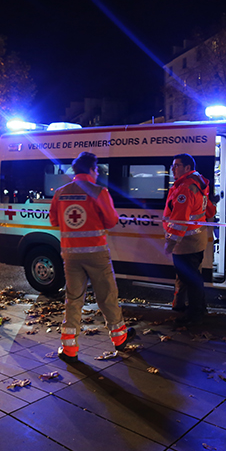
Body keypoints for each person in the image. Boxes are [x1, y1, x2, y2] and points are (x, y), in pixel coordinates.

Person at [49, 152, 135, 363]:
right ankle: (120, 339)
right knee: (107, 296)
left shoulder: (60, 193)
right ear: (90, 170)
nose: (97, 173)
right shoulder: (99, 192)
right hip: (96, 254)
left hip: (70, 254)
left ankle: (69, 349)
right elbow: (111, 221)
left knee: (73, 299)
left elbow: (54, 221)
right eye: (96, 170)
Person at [163, 153, 216, 325]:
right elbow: (209, 210)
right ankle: (198, 309)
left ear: (187, 168)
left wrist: (170, 244)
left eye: (176, 166)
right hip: (197, 240)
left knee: (191, 280)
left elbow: (179, 221)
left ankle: (195, 315)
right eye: (172, 166)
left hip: (185, 244)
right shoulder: (198, 183)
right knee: (193, 277)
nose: (173, 169)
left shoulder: (185, 188)